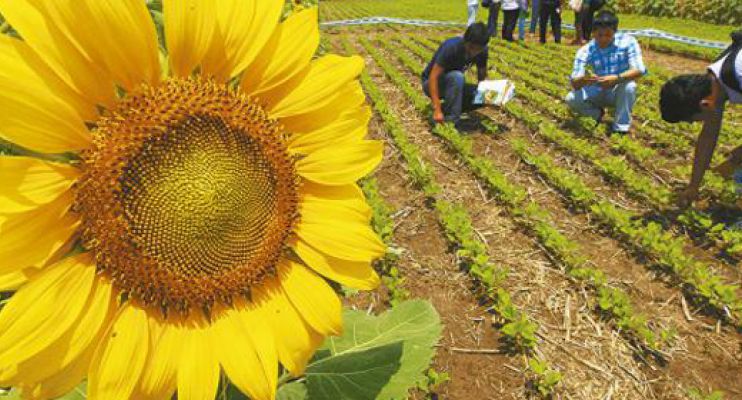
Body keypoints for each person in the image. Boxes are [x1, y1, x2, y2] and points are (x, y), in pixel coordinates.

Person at [659, 31, 742, 207]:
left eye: (692, 119)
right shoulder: (715, 83)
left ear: (704, 104)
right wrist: (693, 186)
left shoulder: (738, 74)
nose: (695, 123)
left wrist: (737, 157)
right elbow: (708, 136)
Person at [565, 11, 646, 134]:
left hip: (618, 90)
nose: (603, 39)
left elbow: (640, 69)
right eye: (599, 35)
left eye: (608, 35)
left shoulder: (628, 42)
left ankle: (621, 128)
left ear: (615, 31)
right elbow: (575, 83)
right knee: (572, 99)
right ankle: (597, 114)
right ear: (593, 33)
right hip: (597, 89)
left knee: (629, 86)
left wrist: (617, 78)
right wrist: (584, 79)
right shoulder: (585, 51)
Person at [422, 22, 490, 130]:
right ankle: (451, 120)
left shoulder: (482, 51)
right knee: (457, 77)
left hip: (454, 86)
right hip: (431, 84)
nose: (474, 52)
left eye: (478, 49)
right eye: (472, 47)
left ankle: (448, 109)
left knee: (485, 95)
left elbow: (481, 75)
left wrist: (488, 96)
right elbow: (433, 77)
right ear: (465, 40)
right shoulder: (451, 47)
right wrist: (437, 108)